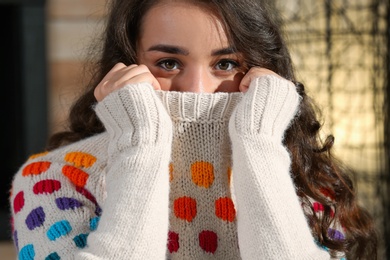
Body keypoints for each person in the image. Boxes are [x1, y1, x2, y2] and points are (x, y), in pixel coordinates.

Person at [10, 0, 377, 259]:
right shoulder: (52, 178)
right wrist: (140, 149)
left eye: (226, 63)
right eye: (168, 63)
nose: (197, 91)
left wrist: (259, 149)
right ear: (125, 67)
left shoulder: (306, 179)